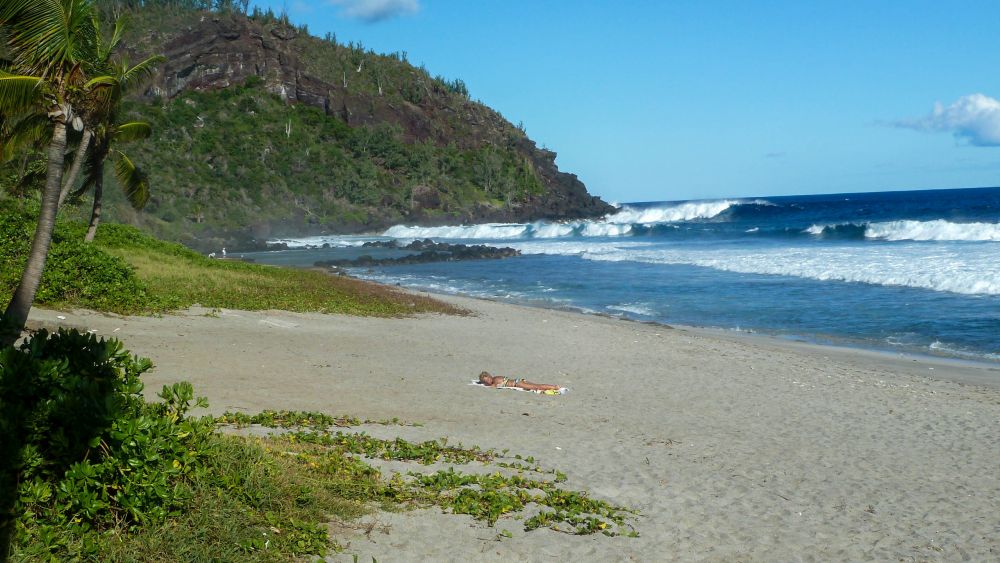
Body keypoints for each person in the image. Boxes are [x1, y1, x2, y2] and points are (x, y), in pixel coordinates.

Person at [478, 371, 561, 392]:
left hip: (517, 383)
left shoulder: (495, 380)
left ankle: (554, 387)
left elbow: (493, 387)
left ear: (490, 376)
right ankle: (553, 386)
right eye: (486, 381)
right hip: (518, 381)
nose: (488, 382)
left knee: (537, 387)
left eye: (488, 379)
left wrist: (482, 384)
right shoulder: (495, 378)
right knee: (536, 385)